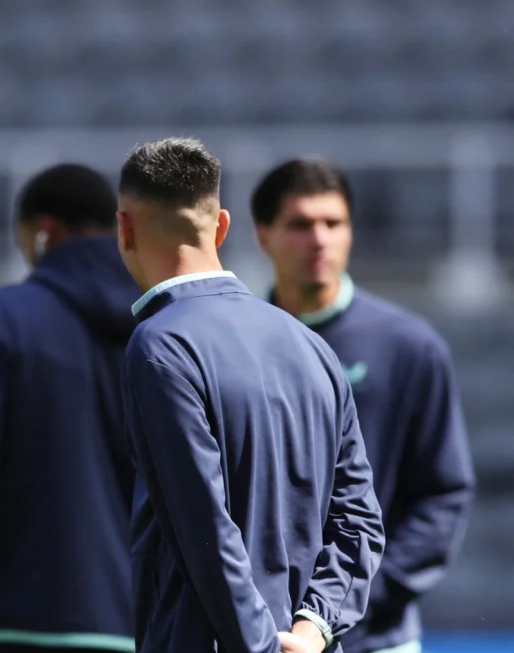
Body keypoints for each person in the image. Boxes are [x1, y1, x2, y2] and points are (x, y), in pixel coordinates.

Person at [114, 138, 386, 653]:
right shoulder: (311, 345)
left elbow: (205, 532)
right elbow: (359, 519)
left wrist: (260, 645)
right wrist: (312, 630)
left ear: (125, 229)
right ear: (221, 227)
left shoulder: (159, 347)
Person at [251, 158, 476, 653]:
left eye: (334, 223)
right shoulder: (238, 347)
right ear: (262, 235)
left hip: (376, 639)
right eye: (300, 224)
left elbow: (444, 493)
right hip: (266, 637)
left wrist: (357, 596)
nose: (320, 239)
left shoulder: (409, 346)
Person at [0, 163, 139, 653]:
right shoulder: (168, 325)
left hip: (19, 623)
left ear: (44, 233)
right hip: (146, 627)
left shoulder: (0, 320)